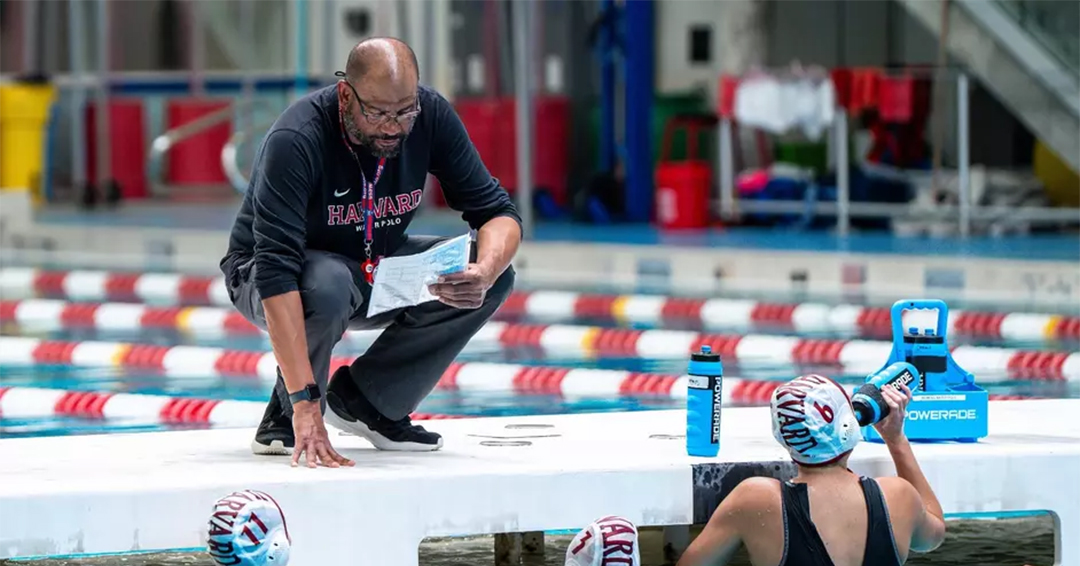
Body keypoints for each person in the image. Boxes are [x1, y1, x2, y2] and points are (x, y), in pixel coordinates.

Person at [220, 37, 521, 468]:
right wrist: (304, 402)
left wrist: (486, 271)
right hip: (266, 273)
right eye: (378, 113)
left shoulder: (431, 115)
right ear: (346, 95)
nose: (393, 127)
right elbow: (275, 271)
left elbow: (497, 212)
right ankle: (286, 416)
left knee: (492, 271)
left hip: (370, 266)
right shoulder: (297, 138)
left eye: (405, 112)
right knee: (326, 283)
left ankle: (368, 400)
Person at [676, 374, 946, 566]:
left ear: (783, 436)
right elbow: (932, 538)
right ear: (849, 426)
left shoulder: (756, 499)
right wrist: (896, 441)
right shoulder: (897, 496)